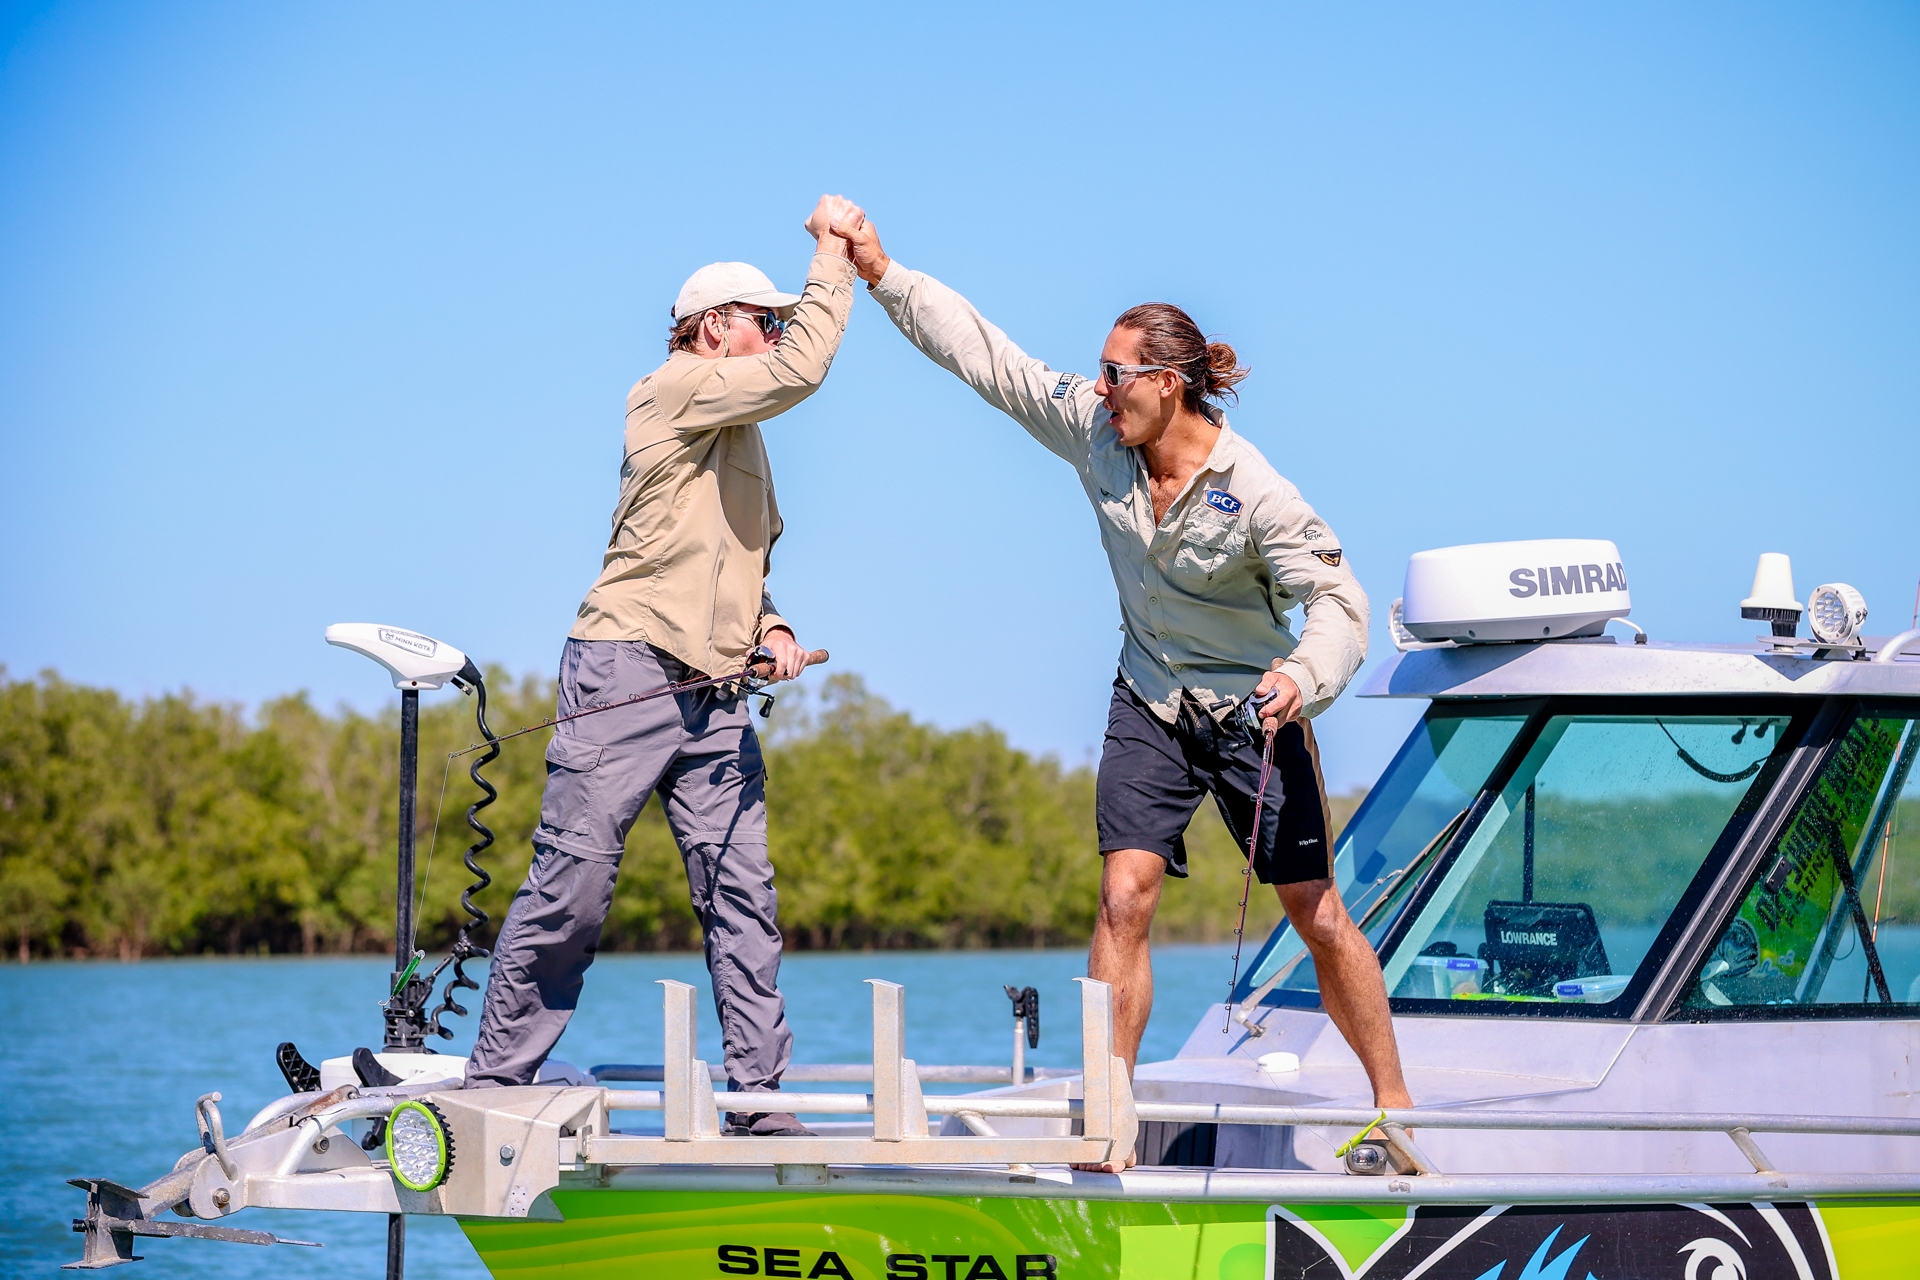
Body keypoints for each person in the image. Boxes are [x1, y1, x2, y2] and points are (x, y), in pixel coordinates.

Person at [835, 216, 1413, 1167]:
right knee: (1124, 895)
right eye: (1098, 374)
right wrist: (884, 273)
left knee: (1313, 909)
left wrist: (1301, 678)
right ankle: (1112, 1115)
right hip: (1147, 698)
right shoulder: (1098, 433)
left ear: (1166, 384)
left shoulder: (1259, 493)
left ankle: (1395, 1104)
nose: (1098, 389)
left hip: (1251, 714)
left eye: (1115, 375)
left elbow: (1340, 605)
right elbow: (989, 360)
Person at [463, 195, 865, 1138]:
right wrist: (830, 255)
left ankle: (759, 1102)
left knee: (744, 897)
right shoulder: (673, 386)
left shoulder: (749, 438)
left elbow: (746, 570)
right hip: (624, 670)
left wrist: (772, 633)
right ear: (713, 328)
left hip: (716, 695)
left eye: (777, 318)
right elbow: (805, 364)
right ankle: (497, 1081)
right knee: (574, 883)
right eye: (763, 320)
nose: (774, 333)